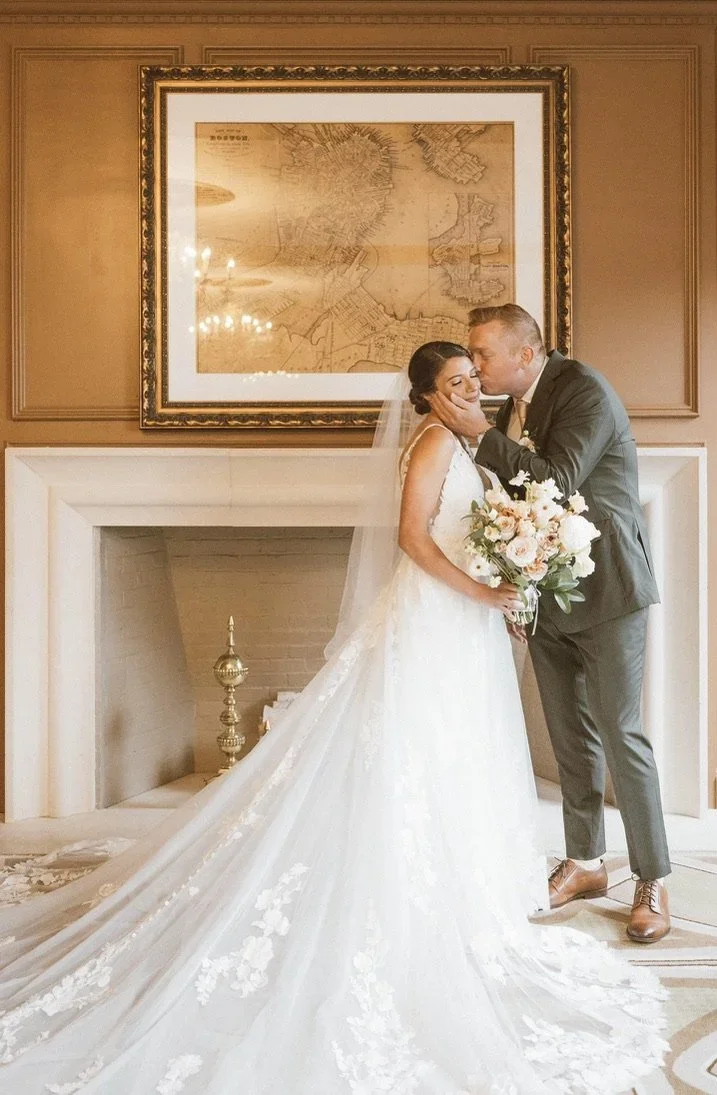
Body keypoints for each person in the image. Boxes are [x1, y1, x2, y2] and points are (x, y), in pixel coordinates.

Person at [0, 343, 667, 1094]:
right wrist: (484, 594)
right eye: (455, 382)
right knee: (412, 754)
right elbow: (413, 541)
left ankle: (483, 891)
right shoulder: (427, 445)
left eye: (473, 379)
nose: (470, 389)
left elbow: (486, 524)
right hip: (431, 624)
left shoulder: (469, 440)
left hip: (464, 631)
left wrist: (505, 582)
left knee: (456, 758)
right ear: (425, 397)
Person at [428, 305, 671, 944]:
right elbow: (514, 504)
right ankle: (586, 862)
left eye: (481, 355)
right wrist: (516, 588)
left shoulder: (583, 390)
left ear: (526, 353)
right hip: (547, 592)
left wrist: (481, 434)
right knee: (568, 736)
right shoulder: (511, 404)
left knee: (622, 734)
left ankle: (652, 879)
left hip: (610, 588)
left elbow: (557, 485)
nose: (473, 367)